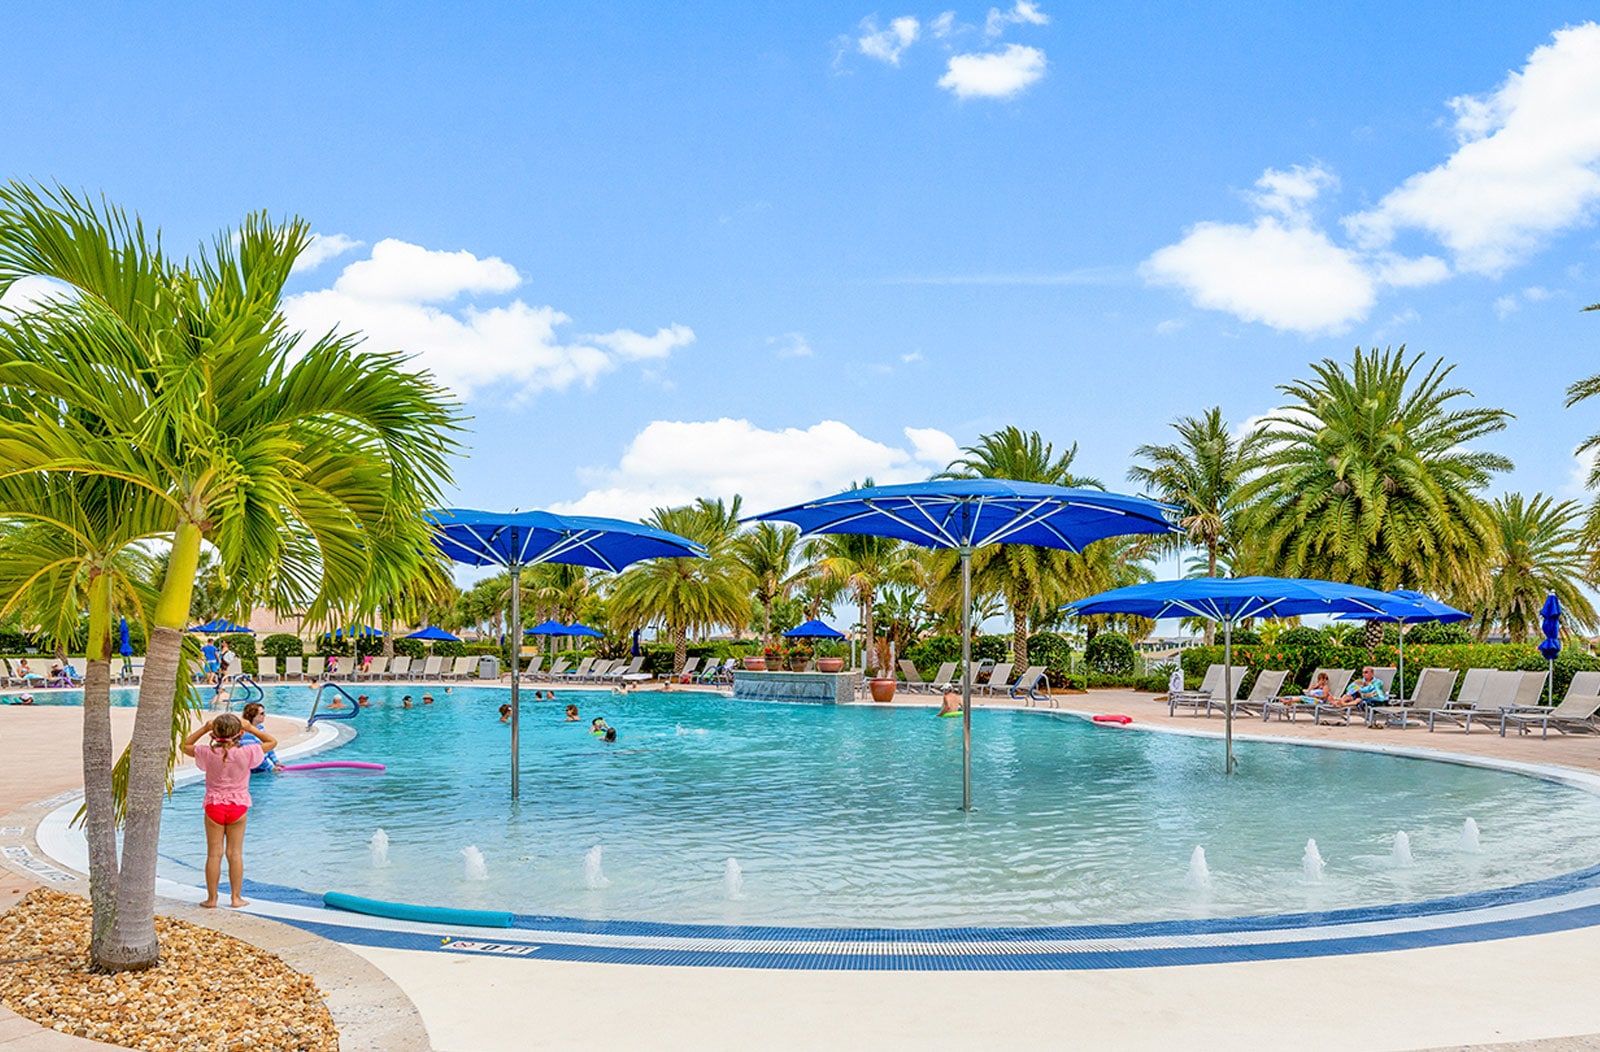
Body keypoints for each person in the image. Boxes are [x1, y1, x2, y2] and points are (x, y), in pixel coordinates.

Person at [181, 713, 276, 908]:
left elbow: (185, 745)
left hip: (214, 806)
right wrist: (250, 728)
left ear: (214, 734)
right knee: (235, 854)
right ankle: (235, 898)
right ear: (240, 734)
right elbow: (272, 742)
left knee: (213, 854)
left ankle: (212, 899)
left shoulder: (207, 753)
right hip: (238, 806)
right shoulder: (248, 752)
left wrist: (204, 729)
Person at [239, 702, 280, 772]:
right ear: (253, 716)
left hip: (263, 766)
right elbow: (254, 755)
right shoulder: (246, 734)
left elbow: (268, 747)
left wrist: (275, 761)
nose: (264, 715)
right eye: (261, 713)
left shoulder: (260, 728)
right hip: (255, 770)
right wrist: (270, 767)